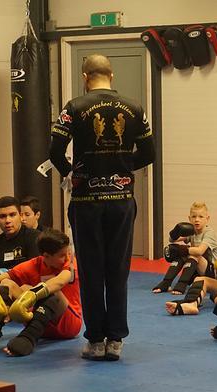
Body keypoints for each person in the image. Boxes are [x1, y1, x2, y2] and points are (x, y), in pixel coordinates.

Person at [49, 54, 155, 362]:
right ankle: (116, 339)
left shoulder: (74, 107)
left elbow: (54, 150)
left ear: (85, 77)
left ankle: (96, 340)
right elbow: (149, 153)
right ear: (112, 75)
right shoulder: (135, 108)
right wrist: (122, 166)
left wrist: (71, 172)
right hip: (121, 200)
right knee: (118, 270)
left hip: (87, 201)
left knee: (91, 270)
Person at [0, 229, 82, 357]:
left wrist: (32, 294)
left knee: (53, 291)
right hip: (39, 320)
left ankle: (28, 338)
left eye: (67, 253)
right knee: (6, 284)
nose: (66, 257)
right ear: (46, 256)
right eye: (61, 255)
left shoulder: (69, 263)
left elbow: (60, 281)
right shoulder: (34, 264)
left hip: (68, 324)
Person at [153, 202, 217, 294]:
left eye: (201, 217)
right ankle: (166, 282)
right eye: (194, 217)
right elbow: (172, 240)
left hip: (212, 274)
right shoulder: (192, 231)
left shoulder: (209, 233)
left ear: (207, 218)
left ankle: (182, 284)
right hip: (196, 272)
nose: (197, 220)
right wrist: (175, 232)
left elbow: (200, 251)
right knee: (181, 256)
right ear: (189, 218)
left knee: (193, 255)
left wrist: (181, 249)